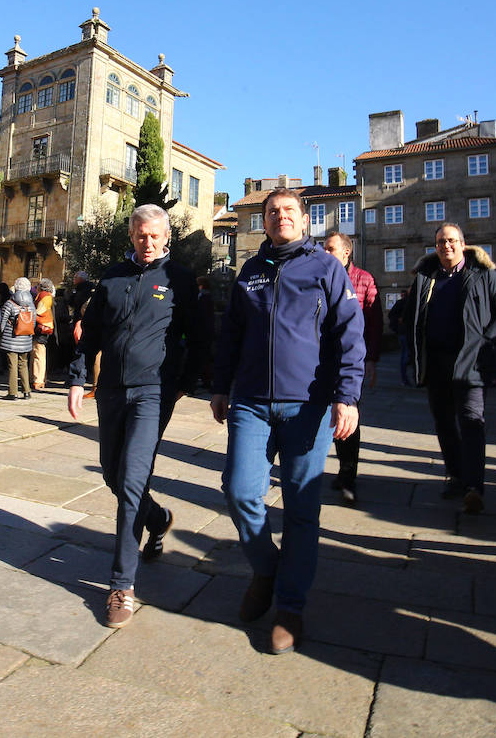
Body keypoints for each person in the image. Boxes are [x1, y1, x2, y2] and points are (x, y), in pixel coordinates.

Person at [212, 187, 365, 655]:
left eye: (288, 211)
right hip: (252, 401)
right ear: (264, 221)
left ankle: (291, 607)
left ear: (304, 219)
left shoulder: (325, 269)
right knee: (239, 491)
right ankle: (266, 567)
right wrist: (220, 385)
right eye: (271, 212)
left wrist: (347, 396)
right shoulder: (251, 271)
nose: (280, 217)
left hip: (309, 407)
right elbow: (232, 332)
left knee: (301, 509)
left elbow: (348, 332)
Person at [66, 204, 205, 629]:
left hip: (153, 391)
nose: (148, 243)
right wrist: (77, 379)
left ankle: (121, 586)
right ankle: (159, 518)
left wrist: (186, 382)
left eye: (155, 236)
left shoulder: (179, 281)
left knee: (131, 481)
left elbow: (199, 335)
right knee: (112, 474)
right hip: (110, 388)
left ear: (167, 238)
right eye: (141, 235)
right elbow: (90, 333)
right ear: (132, 236)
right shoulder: (111, 277)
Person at [401, 223, 496, 513]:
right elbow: (411, 313)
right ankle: (455, 475)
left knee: (471, 422)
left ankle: (474, 486)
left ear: (463, 244)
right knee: (443, 423)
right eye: (440, 242)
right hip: (436, 364)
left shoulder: (484, 275)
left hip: (472, 362)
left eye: (452, 241)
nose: (446, 246)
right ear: (435, 246)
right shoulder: (426, 277)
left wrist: (489, 340)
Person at [324, 232, 382, 505]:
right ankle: (341, 469)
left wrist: (371, 360)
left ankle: (349, 476)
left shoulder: (364, 280)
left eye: (330, 249)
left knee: (348, 416)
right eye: (323, 248)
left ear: (346, 252)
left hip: (351, 361)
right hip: (321, 361)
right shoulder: (319, 276)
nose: (325, 253)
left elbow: (374, 323)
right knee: (329, 418)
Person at [0, 277, 35, 400]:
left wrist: (0, 334)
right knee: (23, 364)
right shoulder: (31, 304)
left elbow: (2, 322)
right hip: (26, 339)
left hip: (11, 339)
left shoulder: (10, 303)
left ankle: (12, 392)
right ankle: (26, 391)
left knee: (12, 365)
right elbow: (33, 322)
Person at [70, 271, 98, 396]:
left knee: (84, 351)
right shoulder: (91, 289)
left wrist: (80, 321)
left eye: (75, 277)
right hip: (86, 322)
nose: (74, 280)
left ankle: (94, 385)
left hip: (83, 323)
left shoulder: (82, 291)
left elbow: (81, 306)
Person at [31, 278, 56, 390]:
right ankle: (40, 378)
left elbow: (39, 312)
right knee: (40, 353)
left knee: (38, 354)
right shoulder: (48, 296)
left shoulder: (44, 296)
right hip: (45, 327)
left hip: (41, 328)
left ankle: (38, 380)